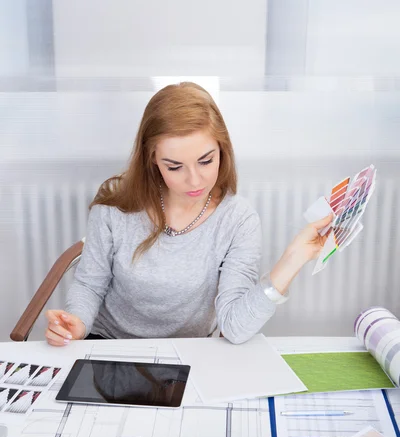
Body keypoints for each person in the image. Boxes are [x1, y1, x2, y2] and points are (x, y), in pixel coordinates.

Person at [45, 82, 332, 347]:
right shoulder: (114, 208)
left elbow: (235, 327)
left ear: (223, 150)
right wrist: (77, 324)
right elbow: (89, 284)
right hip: (111, 346)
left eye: (206, 161)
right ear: (152, 160)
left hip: (191, 355)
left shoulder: (238, 219)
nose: (195, 181)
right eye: (174, 167)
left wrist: (293, 259)